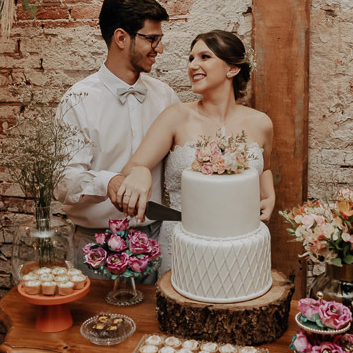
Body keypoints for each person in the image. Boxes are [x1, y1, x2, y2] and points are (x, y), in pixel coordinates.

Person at [116, 30, 276, 274]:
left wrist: (268, 193)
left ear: (232, 69)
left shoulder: (261, 123)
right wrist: (140, 171)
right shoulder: (176, 116)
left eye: (204, 57)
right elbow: (132, 168)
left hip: (238, 243)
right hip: (183, 240)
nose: (193, 65)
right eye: (191, 59)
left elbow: (264, 167)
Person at [55, 0, 180, 282]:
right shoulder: (78, 100)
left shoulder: (166, 97)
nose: (158, 49)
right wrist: (108, 181)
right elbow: (63, 182)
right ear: (121, 38)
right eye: (151, 39)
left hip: (156, 242)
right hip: (94, 248)